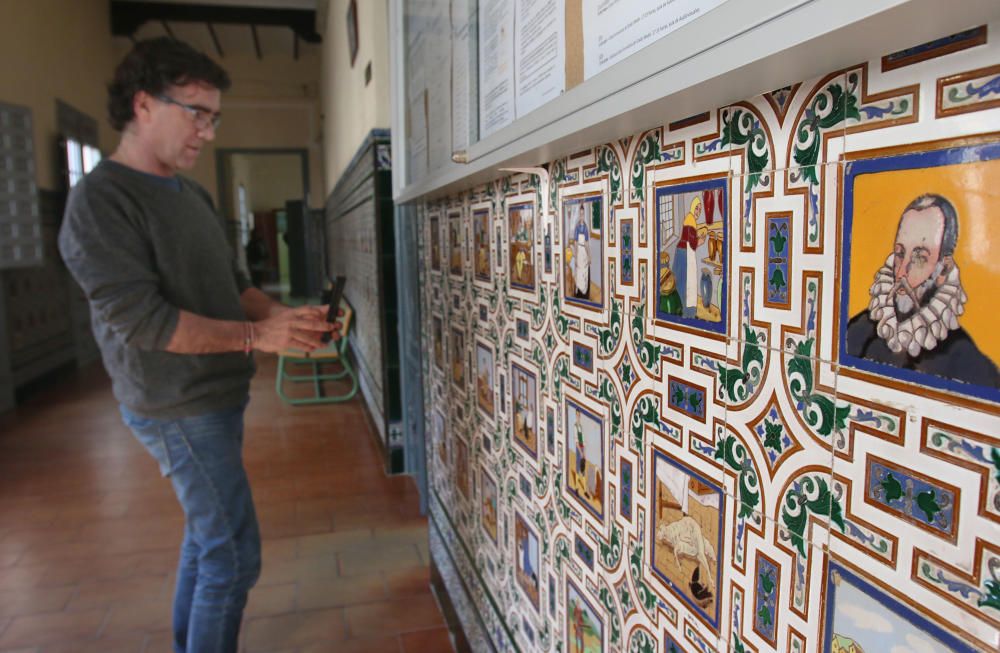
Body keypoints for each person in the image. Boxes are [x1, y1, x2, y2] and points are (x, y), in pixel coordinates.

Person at [58, 38, 339, 653]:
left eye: (214, 118)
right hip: (175, 403)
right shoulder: (99, 201)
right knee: (233, 556)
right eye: (196, 114)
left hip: (216, 393)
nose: (207, 133)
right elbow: (147, 323)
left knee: (208, 539)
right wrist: (261, 336)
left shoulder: (194, 196)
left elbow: (233, 286)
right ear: (143, 105)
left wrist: (283, 316)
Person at [845, 193, 998, 388]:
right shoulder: (859, 331)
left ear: (943, 269)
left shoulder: (967, 363)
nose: (901, 273)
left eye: (919, 258)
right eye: (900, 254)